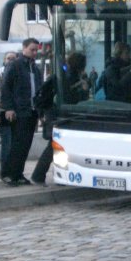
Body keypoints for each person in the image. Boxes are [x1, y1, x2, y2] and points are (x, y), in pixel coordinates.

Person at [31, 52, 89, 185]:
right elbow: (74, 99)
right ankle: (40, 175)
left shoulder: (61, 74)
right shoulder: (72, 77)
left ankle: (42, 175)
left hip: (53, 113)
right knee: (55, 146)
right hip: (63, 115)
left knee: (54, 146)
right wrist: (84, 89)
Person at [0, 38, 43, 186]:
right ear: (24, 48)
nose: (35, 52)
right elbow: (6, 88)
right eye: (32, 49)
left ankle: (18, 173)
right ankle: (9, 173)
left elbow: (38, 88)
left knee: (26, 144)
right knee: (18, 143)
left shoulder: (35, 68)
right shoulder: (15, 65)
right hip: (19, 111)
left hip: (32, 111)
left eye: (36, 50)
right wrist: (9, 108)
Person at [0, 51, 18, 181]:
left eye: (13, 58)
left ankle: (14, 172)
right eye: (8, 58)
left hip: (17, 113)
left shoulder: (19, 72)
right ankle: (5, 173)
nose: (11, 60)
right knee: (7, 143)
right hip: (2, 112)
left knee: (14, 144)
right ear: (4, 60)